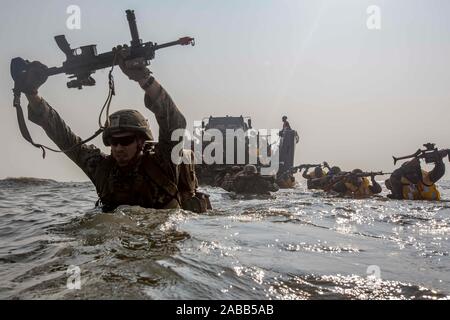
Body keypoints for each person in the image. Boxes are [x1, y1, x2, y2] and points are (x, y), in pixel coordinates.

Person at [14, 48, 210, 213]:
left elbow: (174, 122)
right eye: (113, 142)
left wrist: (144, 79)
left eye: (125, 141)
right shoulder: (102, 169)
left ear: (141, 142)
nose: (118, 148)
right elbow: (65, 138)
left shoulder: (164, 161)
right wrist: (32, 95)